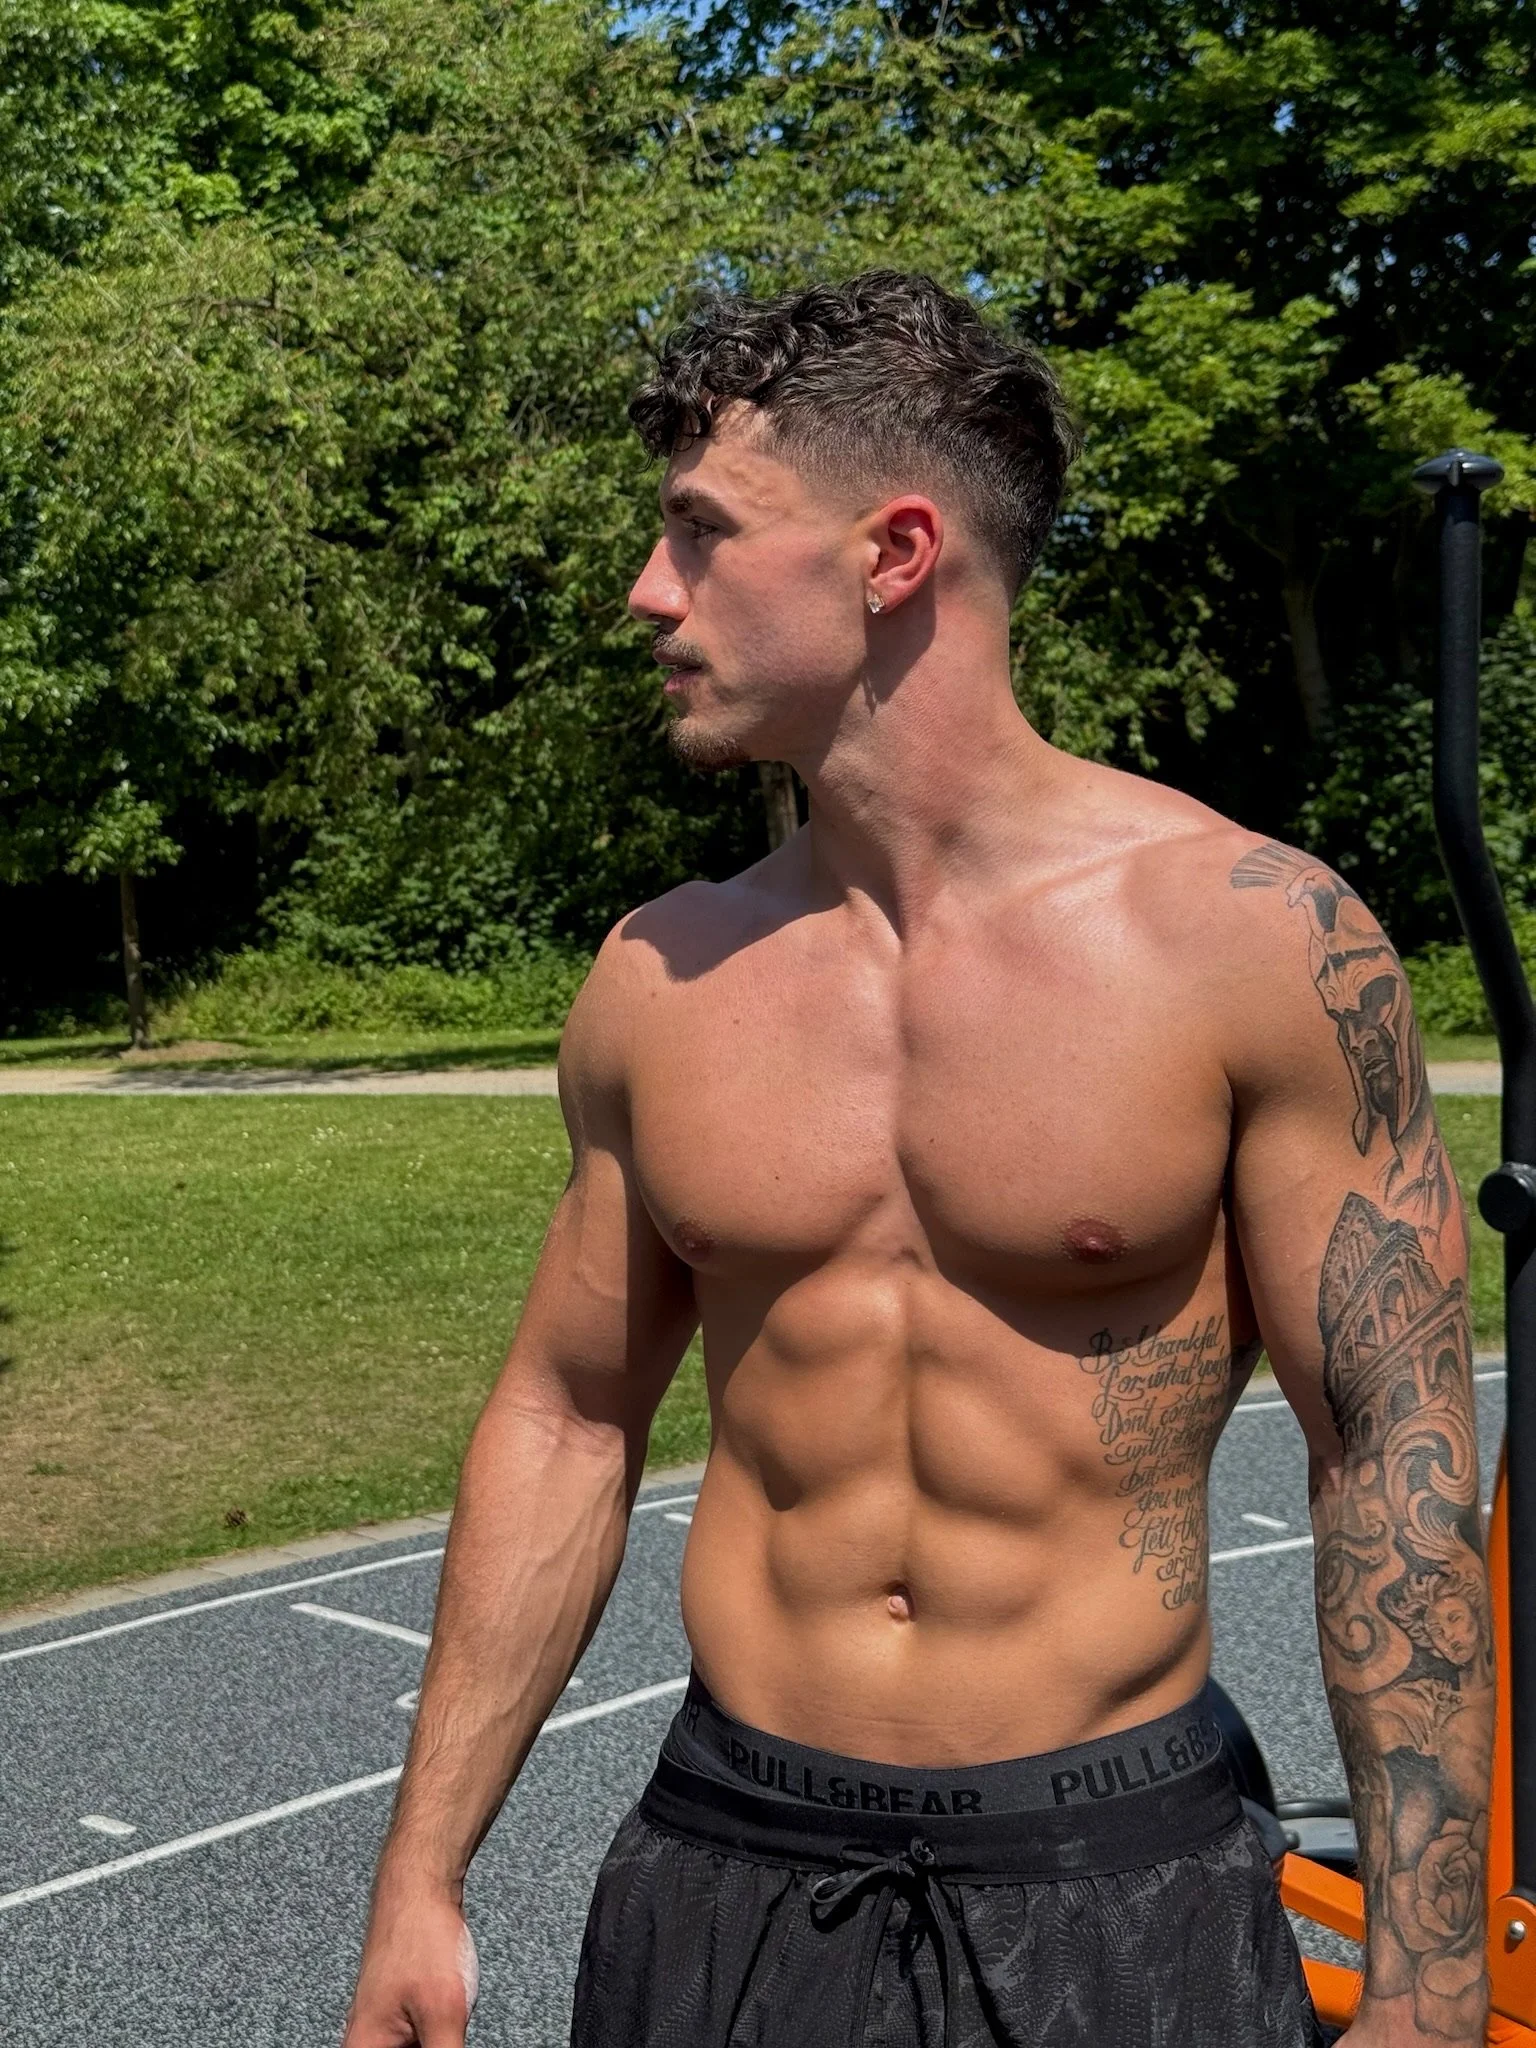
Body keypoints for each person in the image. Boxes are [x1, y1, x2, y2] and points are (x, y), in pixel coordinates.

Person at [342, 271, 1492, 2048]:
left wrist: (1429, 1990)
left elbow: (1392, 1465)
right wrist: (421, 1875)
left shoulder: (1255, 942)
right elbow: (569, 1418)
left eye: (702, 534)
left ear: (893, 553)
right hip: (732, 1862)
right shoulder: (661, 974)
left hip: (1116, 1877)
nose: (647, 593)